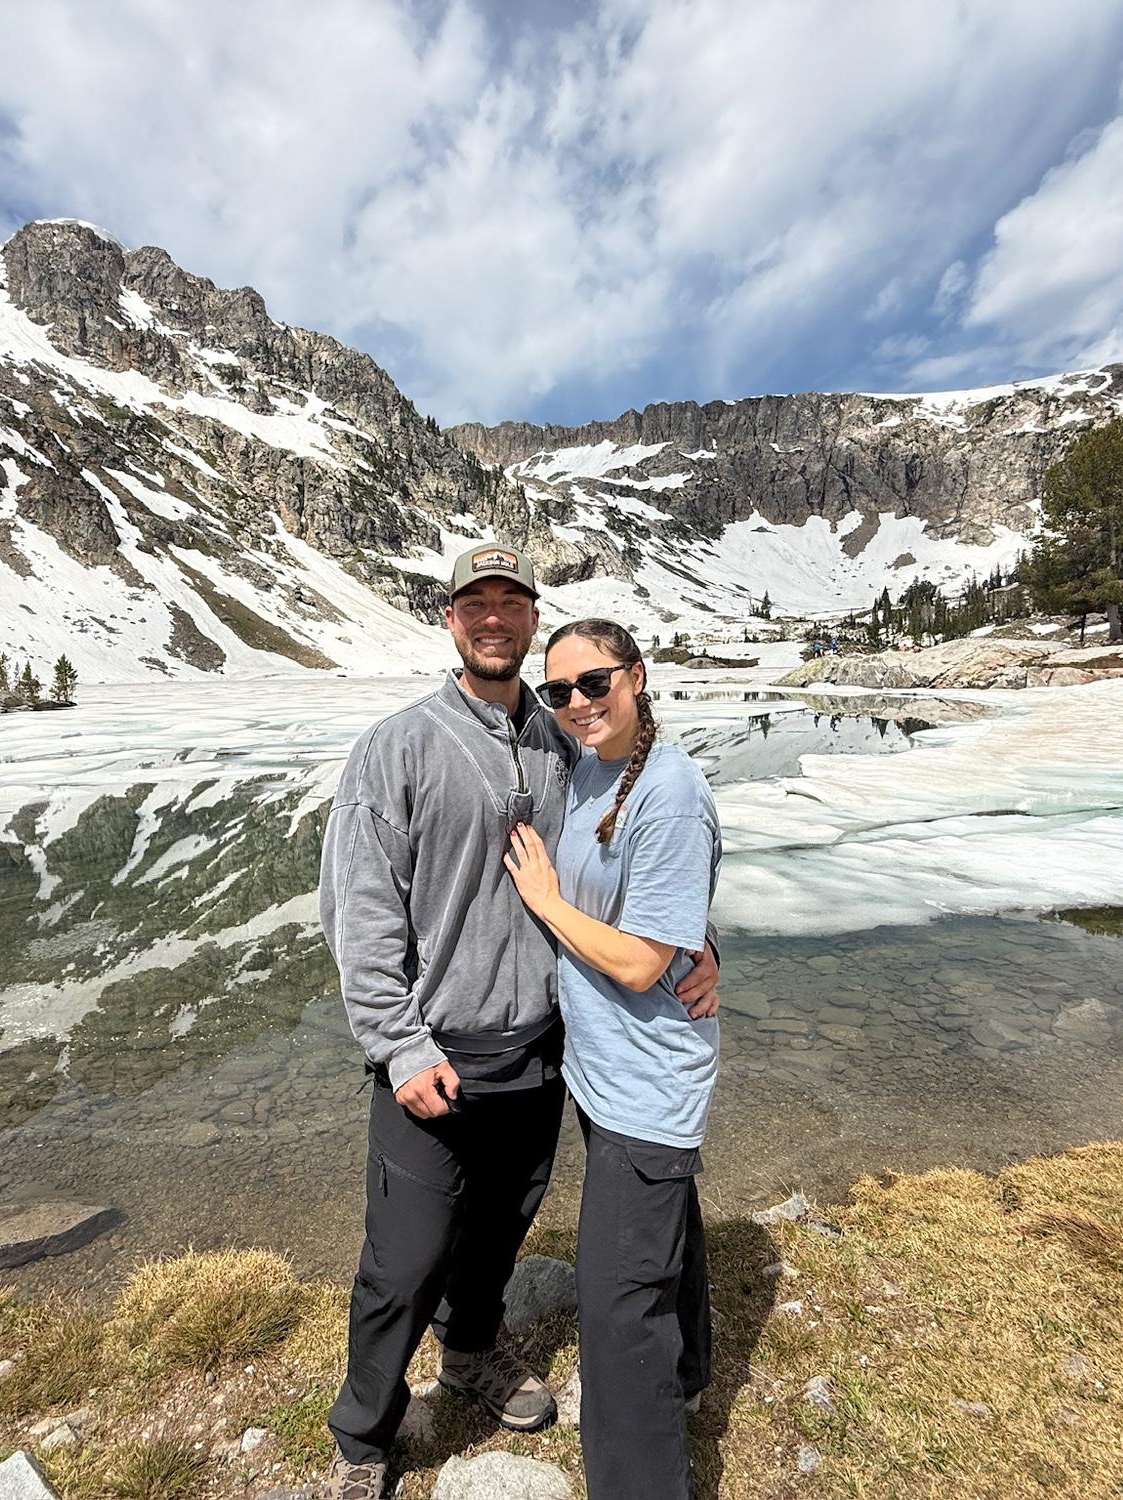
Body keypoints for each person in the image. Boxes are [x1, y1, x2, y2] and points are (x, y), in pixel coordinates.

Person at [317, 547, 720, 1500]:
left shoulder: (564, 739)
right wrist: (397, 1042)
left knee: (503, 1222)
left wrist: (699, 946)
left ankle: (470, 1353)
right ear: (450, 621)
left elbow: (636, 858)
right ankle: (363, 1436)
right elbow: (358, 907)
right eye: (474, 604)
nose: (493, 617)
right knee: (406, 1255)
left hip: (542, 1051)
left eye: (511, 602)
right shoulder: (398, 746)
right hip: (433, 1050)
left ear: (531, 619)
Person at [504, 618, 721, 1500]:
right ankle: (695, 1369)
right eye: (559, 692)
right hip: (611, 1071)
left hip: (646, 1084)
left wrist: (548, 903)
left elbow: (636, 959)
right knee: (665, 1233)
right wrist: (703, 943)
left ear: (637, 676)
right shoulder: (595, 769)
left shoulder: (667, 788)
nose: (577, 704)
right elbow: (678, 901)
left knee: (616, 1307)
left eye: (595, 684)